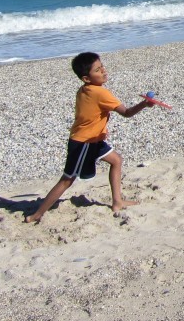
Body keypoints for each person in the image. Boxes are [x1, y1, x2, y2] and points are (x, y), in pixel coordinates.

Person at [25, 52, 154, 223]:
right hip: (83, 143)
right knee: (67, 180)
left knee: (116, 160)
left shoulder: (83, 90)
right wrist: (145, 104)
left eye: (102, 67)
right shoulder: (101, 93)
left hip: (94, 140)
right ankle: (37, 214)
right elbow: (127, 113)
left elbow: (90, 114)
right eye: (98, 70)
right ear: (86, 78)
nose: (103, 71)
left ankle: (117, 202)